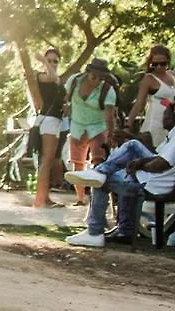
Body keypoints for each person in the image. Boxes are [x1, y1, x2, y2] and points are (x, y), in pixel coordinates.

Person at [64, 102, 175, 247]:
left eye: (167, 115)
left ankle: (95, 232)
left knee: (102, 179)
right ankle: (125, 231)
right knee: (115, 168)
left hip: (154, 184)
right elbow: (158, 157)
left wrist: (140, 163)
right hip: (154, 181)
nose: (163, 118)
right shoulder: (171, 136)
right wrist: (140, 160)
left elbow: (161, 164)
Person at [65, 58, 118, 206]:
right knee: (77, 164)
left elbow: (109, 116)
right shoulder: (74, 81)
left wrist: (110, 135)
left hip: (97, 127)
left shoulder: (107, 90)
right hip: (77, 126)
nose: (97, 80)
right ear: (88, 73)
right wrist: (65, 107)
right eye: (94, 76)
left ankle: (97, 201)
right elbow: (64, 97)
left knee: (98, 163)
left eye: (101, 77)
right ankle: (80, 198)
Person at [20, 46, 67, 208]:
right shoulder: (41, 76)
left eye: (55, 61)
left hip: (56, 120)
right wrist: (44, 63)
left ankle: (45, 197)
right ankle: (40, 199)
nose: (53, 64)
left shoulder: (57, 79)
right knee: (46, 161)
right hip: (47, 120)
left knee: (50, 160)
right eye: (50, 60)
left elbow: (58, 83)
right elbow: (53, 78)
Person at [125, 45, 175, 150]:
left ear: (168, 61)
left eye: (163, 63)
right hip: (156, 121)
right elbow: (139, 104)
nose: (159, 67)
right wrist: (128, 126)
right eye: (155, 64)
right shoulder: (149, 79)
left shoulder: (172, 75)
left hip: (171, 121)